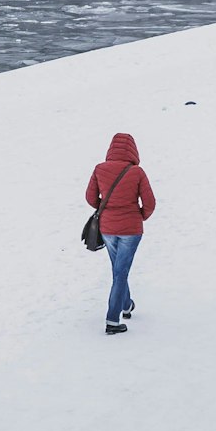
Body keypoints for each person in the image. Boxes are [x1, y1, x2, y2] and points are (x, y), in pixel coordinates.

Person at [85, 132, 156, 335]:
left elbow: (90, 198)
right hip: (131, 230)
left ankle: (126, 305)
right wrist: (139, 216)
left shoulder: (100, 169)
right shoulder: (137, 172)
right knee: (120, 271)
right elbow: (150, 203)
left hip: (107, 228)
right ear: (133, 150)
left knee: (118, 270)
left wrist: (105, 210)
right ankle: (112, 320)